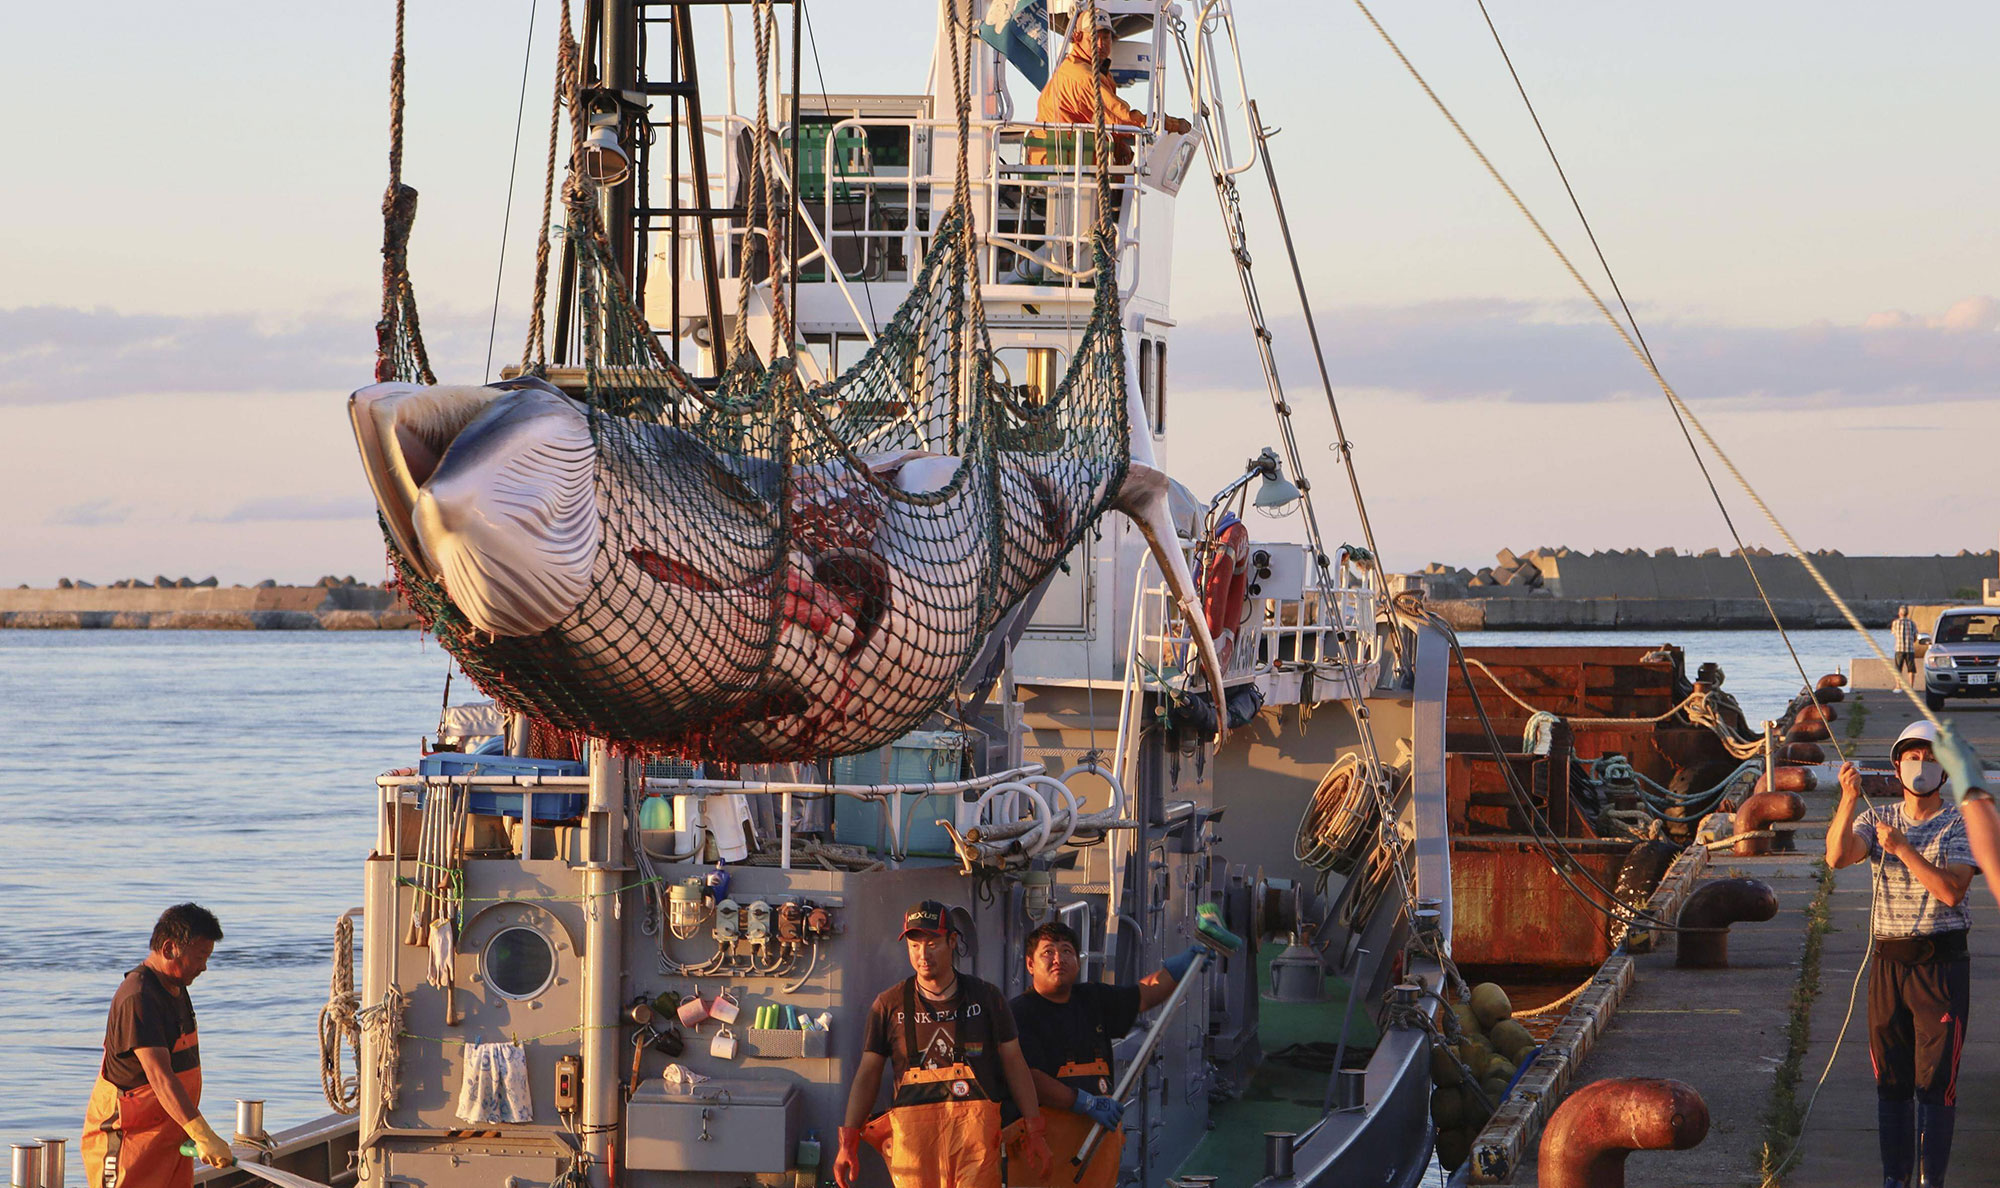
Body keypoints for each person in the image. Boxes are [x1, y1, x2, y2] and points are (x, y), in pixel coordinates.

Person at [1827, 721, 1976, 1188]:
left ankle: (1933, 1179)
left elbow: (1952, 890)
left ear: (1945, 772)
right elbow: (1837, 856)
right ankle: (1896, 1177)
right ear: (1896, 765)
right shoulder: (1877, 817)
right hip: (1888, 963)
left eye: (1932, 759)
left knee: (1935, 1083)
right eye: (1913, 757)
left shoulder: (1959, 823)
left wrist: (1905, 850)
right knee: (1890, 1079)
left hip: (1941, 966)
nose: (1921, 766)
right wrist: (1849, 798)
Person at [834, 900, 1054, 1188]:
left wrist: (1034, 1129)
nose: (922, 954)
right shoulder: (888, 1005)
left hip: (975, 1149)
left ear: (952, 941)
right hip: (914, 1153)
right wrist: (848, 1140)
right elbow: (868, 1074)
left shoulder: (987, 998)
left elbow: (1015, 1063)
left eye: (932, 943)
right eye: (914, 945)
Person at [1003, 921, 1208, 1188]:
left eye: (1067, 951)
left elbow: (1143, 996)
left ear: (1077, 962)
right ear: (1030, 964)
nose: (1058, 959)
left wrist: (1178, 970)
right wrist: (1085, 1103)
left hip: (1097, 1152)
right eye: (1048, 952)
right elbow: (1028, 1079)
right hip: (1043, 1157)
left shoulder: (1093, 998)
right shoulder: (1019, 1013)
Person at [82, 903, 235, 1188]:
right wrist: (202, 1132)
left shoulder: (177, 986)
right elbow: (160, 1077)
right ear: (169, 949)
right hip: (129, 1142)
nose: (204, 967)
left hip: (170, 1139)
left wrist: (192, 1130)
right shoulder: (138, 997)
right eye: (200, 957)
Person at [1035, 9, 1191, 163]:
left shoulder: (1083, 70)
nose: (1101, 44)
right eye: (1094, 37)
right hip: (1064, 168)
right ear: (1078, 37)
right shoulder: (1084, 77)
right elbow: (1121, 119)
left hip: (1061, 162)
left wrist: (1120, 146)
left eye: (1106, 37)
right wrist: (1172, 124)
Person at [1894, 606, 1919, 680]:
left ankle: (1898, 686)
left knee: (1898, 668)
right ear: (1907, 613)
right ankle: (1911, 686)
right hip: (1910, 649)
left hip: (1899, 649)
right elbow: (1915, 637)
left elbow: (1895, 634)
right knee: (1911, 669)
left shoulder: (1895, 623)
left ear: (1900, 613)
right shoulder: (1912, 623)